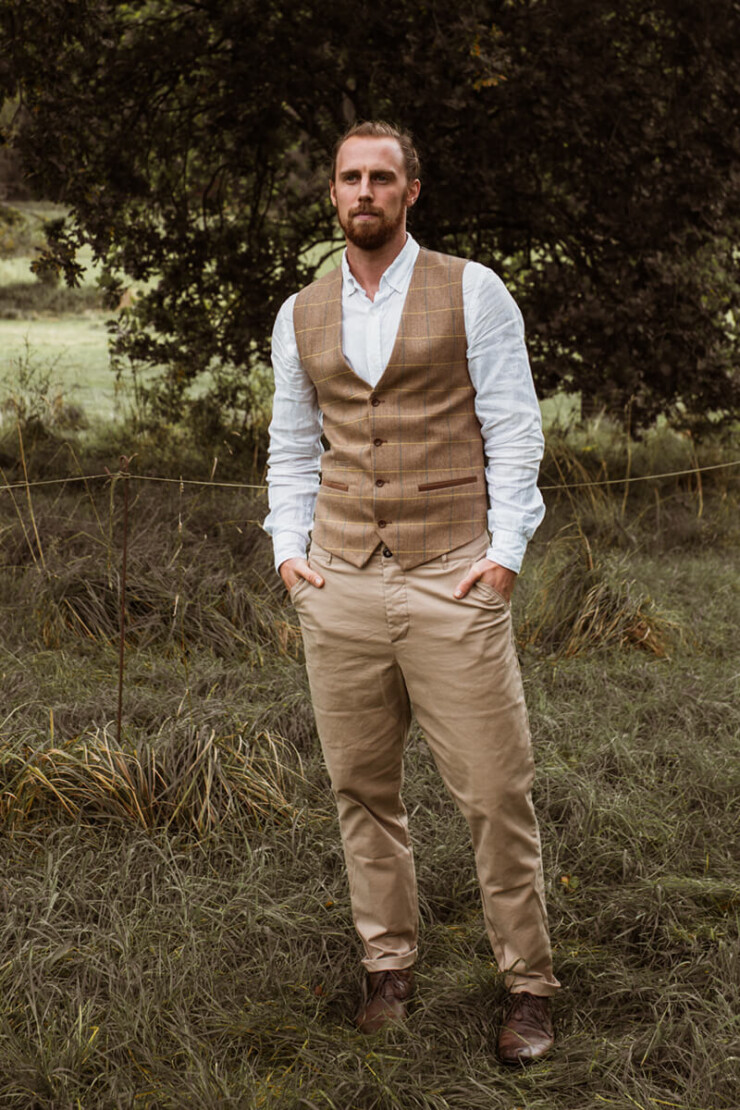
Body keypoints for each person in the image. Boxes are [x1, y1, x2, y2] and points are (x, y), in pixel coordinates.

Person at [264, 120, 559, 1065]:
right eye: (349, 177)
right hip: (338, 581)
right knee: (362, 789)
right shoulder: (300, 311)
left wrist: (504, 553)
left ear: (411, 192)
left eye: (380, 177)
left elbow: (515, 428)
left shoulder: (474, 291)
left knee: (495, 793)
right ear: (334, 194)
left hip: (450, 578)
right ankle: (386, 968)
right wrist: (288, 551)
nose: (363, 192)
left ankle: (528, 987)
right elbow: (291, 444)